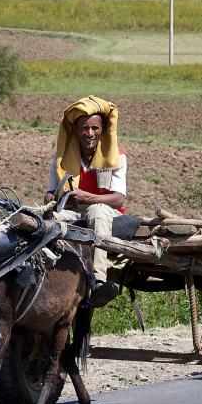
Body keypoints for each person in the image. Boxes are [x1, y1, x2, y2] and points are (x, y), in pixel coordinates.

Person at [45, 96, 127, 307]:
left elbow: (118, 198)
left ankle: (98, 281)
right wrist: (55, 200)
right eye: (84, 128)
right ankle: (44, 277)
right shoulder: (62, 157)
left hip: (108, 212)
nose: (90, 134)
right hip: (73, 211)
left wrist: (87, 197)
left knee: (97, 211)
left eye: (95, 128)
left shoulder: (117, 155)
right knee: (47, 221)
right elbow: (49, 194)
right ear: (75, 130)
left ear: (103, 129)